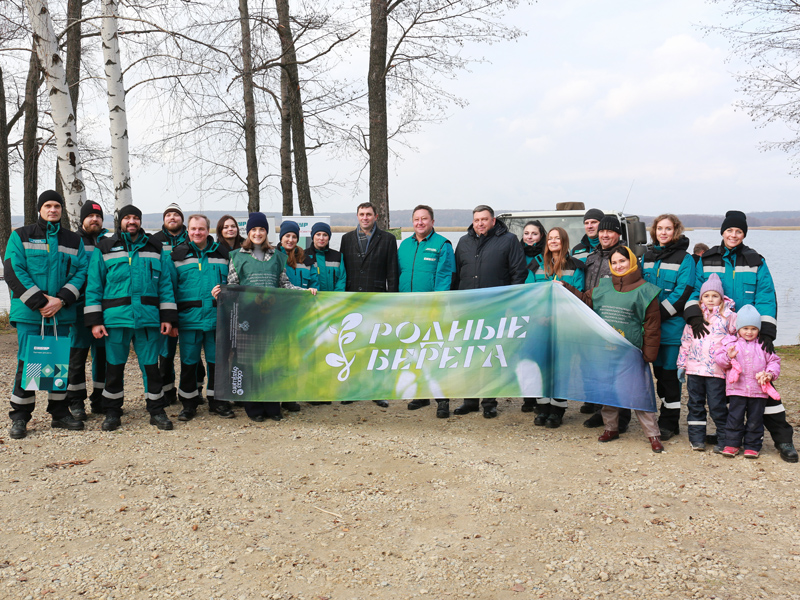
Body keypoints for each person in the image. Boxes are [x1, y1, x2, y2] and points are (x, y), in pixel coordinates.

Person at [685, 210, 797, 463]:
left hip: (749, 335)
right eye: (729, 230)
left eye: (738, 231)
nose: (733, 235)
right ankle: (730, 436)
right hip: (717, 335)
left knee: (762, 385)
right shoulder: (708, 258)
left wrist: (766, 331)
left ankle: (783, 438)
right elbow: (694, 289)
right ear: (722, 232)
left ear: (744, 234)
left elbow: (766, 295)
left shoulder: (755, 259)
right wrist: (693, 316)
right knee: (724, 389)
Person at [84, 204, 177, 432]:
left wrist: (167, 317)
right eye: (127, 218)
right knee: (114, 367)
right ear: (120, 221)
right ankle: (113, 412)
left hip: (148, 319)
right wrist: (95, 321)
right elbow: (94, 285)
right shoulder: (104, 247)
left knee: (151, 367)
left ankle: (157, 410)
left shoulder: (155, 247)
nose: (132, 221)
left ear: (140, 221)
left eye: (136, 218)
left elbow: (165, 284)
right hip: (116, 320)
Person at [3, 190, 88, 439]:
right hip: (30, 313)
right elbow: (13, 270)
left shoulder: (74, 240)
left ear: (62, 210)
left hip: (61, 314)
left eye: (57, 206)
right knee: (27, 362)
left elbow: (81, 273)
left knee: (58, 362)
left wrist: (61, 300)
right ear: (40, 209)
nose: (53, 210)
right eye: (48, 205)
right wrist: (41, 302)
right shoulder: (20, 236)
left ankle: (59, 413)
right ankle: (20, 417)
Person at [563, 246, 664, 453]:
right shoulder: (604, 286)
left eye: (622, 261)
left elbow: (652, 324)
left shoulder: (646, 291)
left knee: (639, 392)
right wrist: (565, 287)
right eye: (615, 262)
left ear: (632, 262)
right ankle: (611, 428)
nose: (618, 266)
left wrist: (649, 352)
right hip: (606, 349)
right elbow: (585, 301)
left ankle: (653, 434)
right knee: (608, 391)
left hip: (632, 351)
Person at [222, 212, 316, 422]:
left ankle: (273, 406)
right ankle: (254, 408)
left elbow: (285, 285)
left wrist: (304, 292)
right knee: (250, 364)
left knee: (273, 363)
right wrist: (221, 293)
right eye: (254, 229)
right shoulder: (238, 256)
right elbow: (233, 285)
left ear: (266, 232)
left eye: (262, 229)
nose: (257, 233)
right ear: (249, 232)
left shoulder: (277, 256)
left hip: (272, 319)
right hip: (248, 320)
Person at [452, 205, 528, 418]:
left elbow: (518, 273)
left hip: (496, 309)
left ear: (493, 221)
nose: (480, 223)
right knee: (469, 354)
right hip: (468, 309)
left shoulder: (509, 240)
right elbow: (456, 275)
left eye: (484, 219)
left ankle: (489, 402)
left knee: (490, 357)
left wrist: (511, 305)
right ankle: (470, 400)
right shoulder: (464, 242)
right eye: (477, 220)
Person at [167, 214, 234, 422]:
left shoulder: (224, 254)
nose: (197, 232)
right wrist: (174, 320)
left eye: (201, 229)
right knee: (189, 364)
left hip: (217, 320)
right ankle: (189, 404)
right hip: (189, 321)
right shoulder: (177, 256)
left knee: (217, 363)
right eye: (194, 229)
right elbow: (170, 290)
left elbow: (234, 283)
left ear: (209, 230)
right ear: (188, 230)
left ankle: (218, 402)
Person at [397, 205, 456, 417]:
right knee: (414, 353)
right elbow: (399, 275)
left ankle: (442, 400)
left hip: (432, 310)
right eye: (416, 219)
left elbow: (444, 279)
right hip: (408, 310)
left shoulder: (442, 245)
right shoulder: (404, 245)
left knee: (435, 354)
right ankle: (421, 394)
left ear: (432, 221)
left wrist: (437, 307)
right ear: (412, 222)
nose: (420, 223)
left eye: (424, 219)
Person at [640, 214, 695, 441]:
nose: (663, 232)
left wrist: (656, 314)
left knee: (671, 377)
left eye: (668, 229)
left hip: (672, 328)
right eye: (660, 228)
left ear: (676, 231)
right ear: (654, 231)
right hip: (652, 330)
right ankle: (666, 415)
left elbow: (683, 291)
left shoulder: (686, 259)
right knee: (659, 374)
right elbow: (641, 286)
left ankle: (670, 422)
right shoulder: (647, 256)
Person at [524, 227, 585, 428]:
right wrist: (539, 316)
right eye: (550, 238)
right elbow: (529, 294)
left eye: (557, 238)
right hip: (540, 326)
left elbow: (579, 295)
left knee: (561, 368)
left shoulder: (576, 267)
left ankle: (557, 410)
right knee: (541, 366)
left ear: (564, 241)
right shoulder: (535, 266)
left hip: (564, 325)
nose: (553, 241)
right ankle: (542, 407)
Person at [340, 202, 399, 408]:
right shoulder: (346, 239)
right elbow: (343, 272)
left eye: (369, 214)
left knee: (376, 347)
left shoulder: (388, 239)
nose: (365, 218)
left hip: (377, 301)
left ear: (376, 216)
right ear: (357, 216)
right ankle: (353, 389)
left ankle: (377, 390)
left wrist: (391, 301)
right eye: (361, 214)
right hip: (352, 301)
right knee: (354, 346)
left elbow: (392, 272)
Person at [676, 274, 737, 452]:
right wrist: (681, 365)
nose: (711, 300)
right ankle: (697, 438)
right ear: (701, 297)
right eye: (707, 296)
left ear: (721, 298)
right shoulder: (695, 317)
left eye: (715, 296)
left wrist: (731, 359)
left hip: (716, 371)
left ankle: (724, 437)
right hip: (694, 369)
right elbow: (686, 342)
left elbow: (735, 339)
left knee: (717, 404)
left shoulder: (729, 317)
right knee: (695, 403)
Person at [715, 305, 781, 459]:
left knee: (755, 419)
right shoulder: (731, 344)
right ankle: (732, 443)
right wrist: (729, 357)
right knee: (735, 417)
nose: (749, 332)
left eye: (753, 328)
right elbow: (720, 361)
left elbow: (774, 362)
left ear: (758, 329)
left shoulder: (763, 345)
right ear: (738, 328)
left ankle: (752, 446)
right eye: (745, 328)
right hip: (737, 389)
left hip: (759, 390)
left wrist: (770, 374)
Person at [581, 214, 629, 425]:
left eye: (609, 231)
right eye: (602, 231)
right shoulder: (592, 257)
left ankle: (623, 417)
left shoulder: (625, 256)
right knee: (598, 369)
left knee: (618, 371)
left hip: (615, 320)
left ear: (618, 234)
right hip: (592, 318)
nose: (604, 235)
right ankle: (602, 412)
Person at [66, 201, 111, 421]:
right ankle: (75, 402)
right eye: (90, 216)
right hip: (79, 309)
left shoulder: (110, 242)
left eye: (98, 216)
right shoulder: (73, 241)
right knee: (77, 357)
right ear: (82, 219)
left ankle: (99, 398)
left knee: (102, 357)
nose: (95, 219)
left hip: (105, 310)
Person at [152, 203, 191, 406]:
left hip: (188, 303)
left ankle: (195, 390)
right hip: (165, 303)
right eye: (169, 214)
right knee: (165, 352)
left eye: (176, 214)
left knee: (190, 350)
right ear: (164, 219)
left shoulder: (192, 237)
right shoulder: (154, 241)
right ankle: (167, 391)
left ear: (182, 219)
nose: (173, 217)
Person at [518, 220, 547, 414]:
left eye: (534, 233)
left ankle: (541, 397)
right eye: (526, 233)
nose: (529, 237)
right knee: (524, 355)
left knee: (541, 356)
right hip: (522, 313)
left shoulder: (547, 256)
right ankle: (528, 396)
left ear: (541, 236)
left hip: (542, 315)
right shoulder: (516, 254)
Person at [277, 221, 319, 290]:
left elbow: (314, 283)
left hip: (304, 300)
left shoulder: (306, 259)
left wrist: (313, 289)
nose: (290, 240)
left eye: (294, 237)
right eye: (287, 236)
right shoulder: (273, 257)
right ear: (281, 238)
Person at [306, 222, 346, 292]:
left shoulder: (338, 256)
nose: (321, 238)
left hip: (333, 299)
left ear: (329, 237)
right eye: (318, 234)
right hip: (311, 300)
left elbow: (342, 279)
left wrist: (335, 297)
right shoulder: (303, 256)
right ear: (313, 236)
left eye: (325, 235)